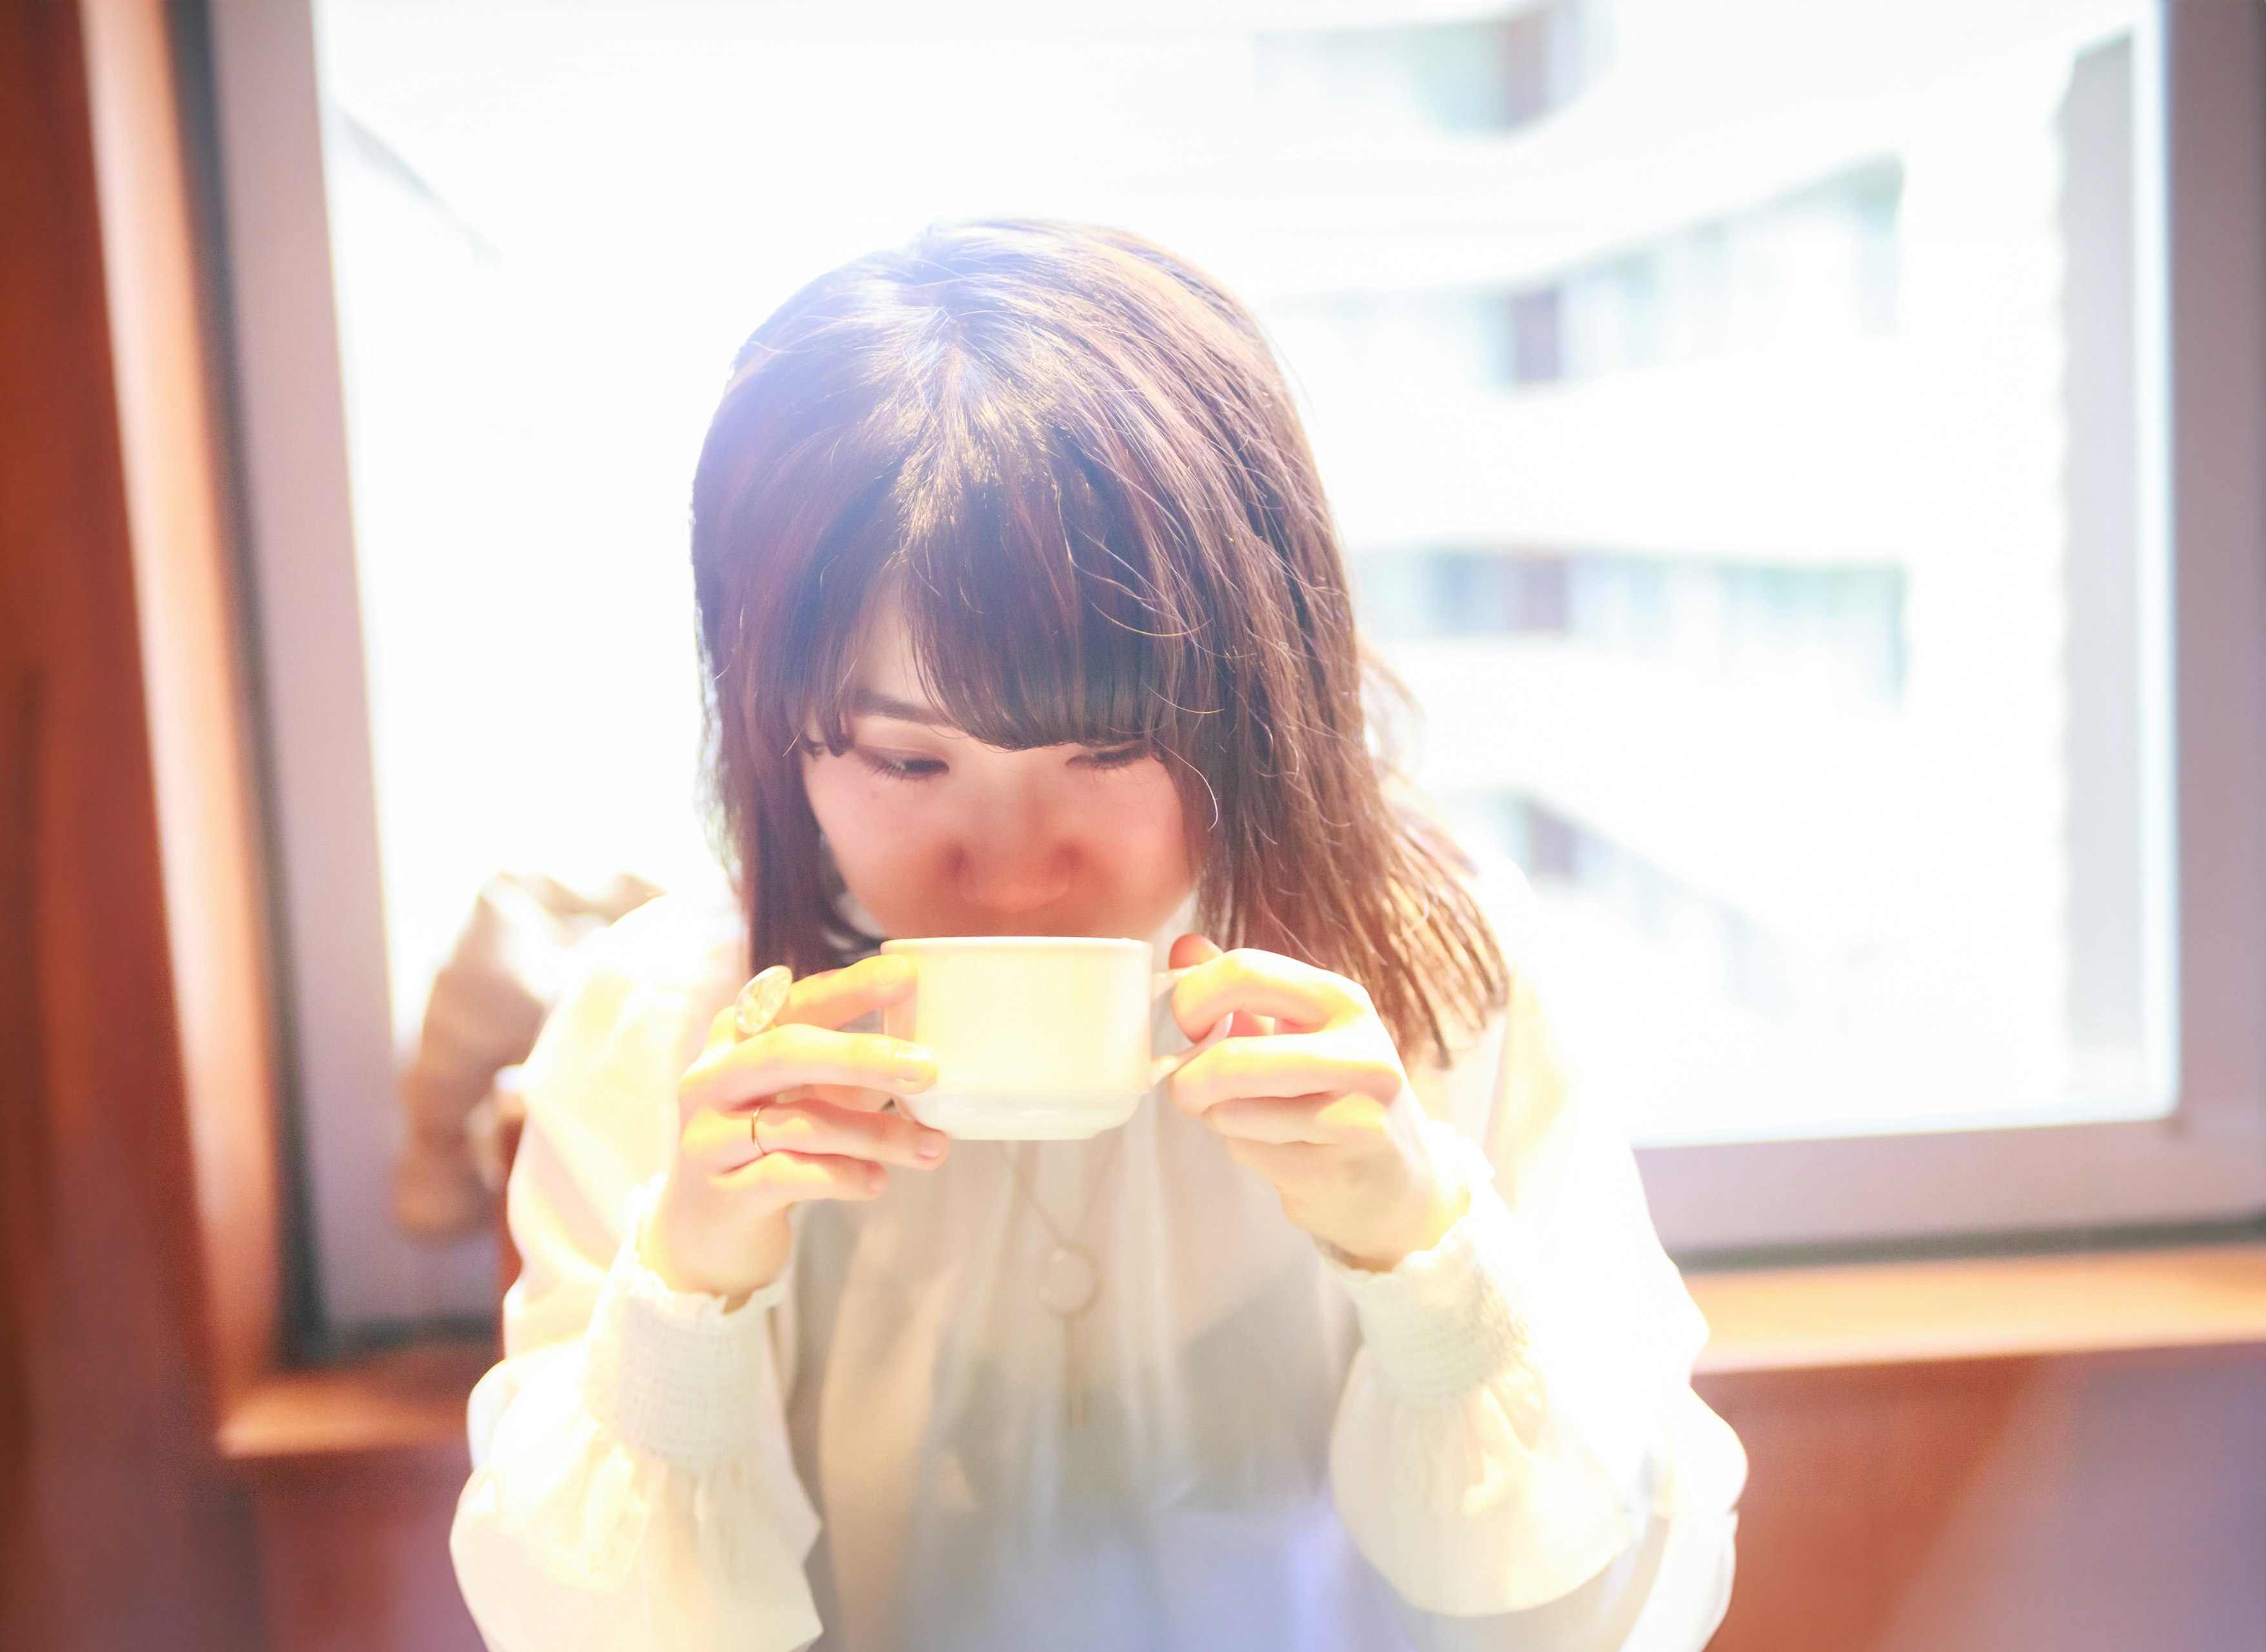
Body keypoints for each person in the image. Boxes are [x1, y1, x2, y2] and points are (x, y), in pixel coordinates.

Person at [447, 221, 1745, 1652]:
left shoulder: (1428, 971)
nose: (1009, 874)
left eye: (1112, 752)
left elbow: (1617, 1604)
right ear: (775, 739)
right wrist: (689, 1287)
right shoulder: (668, 1023)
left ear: (1259, 698)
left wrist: (1422, 1246)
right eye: (904, 763)